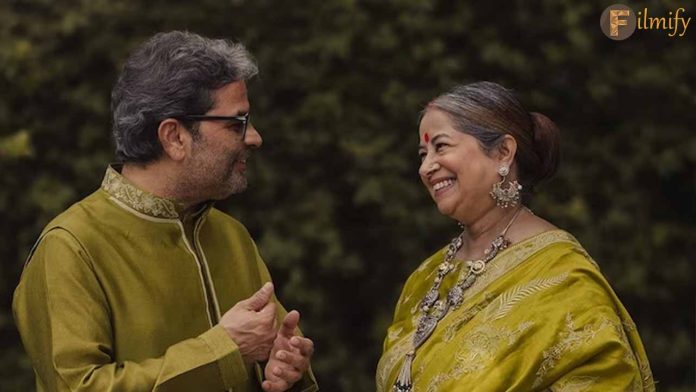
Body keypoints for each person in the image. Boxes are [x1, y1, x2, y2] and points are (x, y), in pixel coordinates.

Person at [13, 31, 318, 392]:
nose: (254, 137)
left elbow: (270, 358)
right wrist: (223, 351)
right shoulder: (70, 248)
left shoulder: (231, 236)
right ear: (174, 137)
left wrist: (283, 368)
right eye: (237, 122)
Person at [376, 82, 655, 391]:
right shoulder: (424, 279)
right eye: (422, 153)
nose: (426, 167)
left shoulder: (563, 279)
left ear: (503, 152)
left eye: (440, 147)